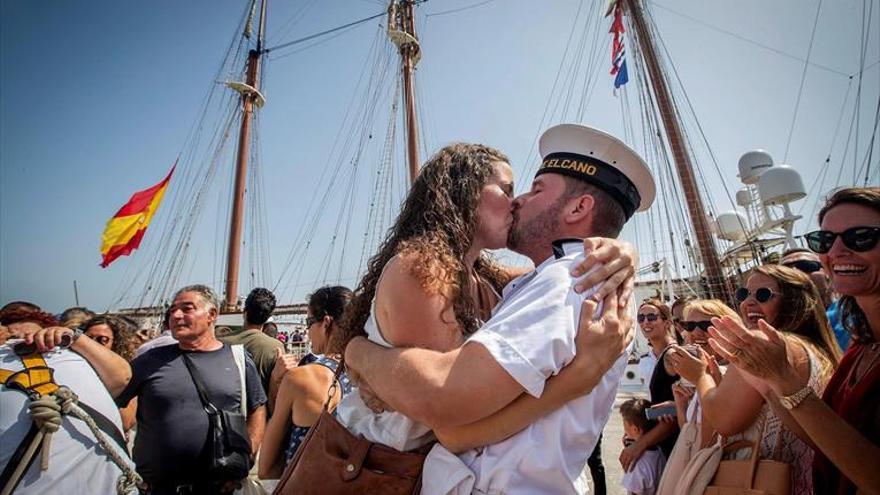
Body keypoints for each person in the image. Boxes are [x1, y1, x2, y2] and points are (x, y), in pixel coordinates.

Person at [342, 124, 655, 494]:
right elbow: (441, 406)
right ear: (463, 193)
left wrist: (621, 250)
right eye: (506, 189)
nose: (518, 199)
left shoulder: (549, 279)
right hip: (382, 467)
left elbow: (445, 405)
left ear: (578, 206)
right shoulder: (427, 270)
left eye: (531, 189)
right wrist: (353, 349)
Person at [708, 186, 880, 493]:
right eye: (824, 241)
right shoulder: (861, 347)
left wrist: (781, 377)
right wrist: (774, 381)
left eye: (861, 237)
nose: (837, 251)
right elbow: (824, 443)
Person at [668, 264, 841, 494]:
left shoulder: (761, 343)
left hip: (763, 480)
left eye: (762, 295)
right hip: (808, 478)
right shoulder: (814, 349)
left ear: (793, 301)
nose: (748, 302)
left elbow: (723, 422)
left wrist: (700, 376)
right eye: (743, 294)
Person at [115, 285, 268, 494]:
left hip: (219, 488)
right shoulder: (148, 362)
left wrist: (244, 461)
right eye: (172, 310)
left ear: (212, 314)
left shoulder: (238, 359)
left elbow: (257, 408)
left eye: (187, 309)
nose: (176, 315)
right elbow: (114, 402)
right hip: (156, 489)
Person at [1, 309, 138, 494]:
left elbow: (122, 378)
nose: (24, 340)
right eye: (14, 335)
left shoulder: (75, 357)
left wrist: (76, 339)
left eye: (102, 340)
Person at [259, 286, 354, 478]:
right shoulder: (375, 378)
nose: (308, 332)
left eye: (309, 322)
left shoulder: (302, 379)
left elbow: (266, 468)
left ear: (326, 323)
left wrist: (277, 380)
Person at [624, 299, 679, 471]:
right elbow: (653, 400)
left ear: (667, 322)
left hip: (678, 436)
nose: (645, 322)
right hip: (659, 435)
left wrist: (641, 444)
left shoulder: (677, 355)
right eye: (641, 318)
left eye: (651, 317)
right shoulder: (645, 361)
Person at [219, 287, 284, 397]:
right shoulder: (275, 347)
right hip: (261, 411)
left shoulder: (221, 343)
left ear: (244, 312)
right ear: (267, 318)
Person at [619, 398, 666, 495]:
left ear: (635, 429)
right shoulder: (659, 451)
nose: (623, 426)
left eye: (624, 423)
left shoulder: (636, 464)